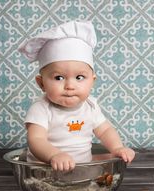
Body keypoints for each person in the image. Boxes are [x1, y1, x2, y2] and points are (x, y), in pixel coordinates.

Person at [19, 20, 135, 171]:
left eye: (79, 77)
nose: (70, 86)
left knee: (113, 158)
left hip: (82, 166)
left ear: (92, 81)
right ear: (41, 83)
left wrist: (117, 148)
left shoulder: (91, 106)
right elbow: (36, 139)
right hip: (47, 170)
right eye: (58, 78)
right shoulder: (41, 108)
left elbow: (105, 130)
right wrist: (54, 155)